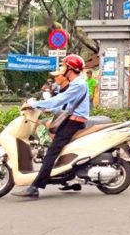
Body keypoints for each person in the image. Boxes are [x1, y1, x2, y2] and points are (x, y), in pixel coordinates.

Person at [13, 55, 90, 199]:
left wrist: (34, 104)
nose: (61, 69)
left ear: (70, 69)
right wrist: (47, 108)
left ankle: (35, 187)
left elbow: (59, 100)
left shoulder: (78, 84)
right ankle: (68, 179)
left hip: (74, 123)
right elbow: (65, 104)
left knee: (52, 152)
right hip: (71, 120)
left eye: (64, 66)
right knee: (58, 147)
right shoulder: (76, 83)